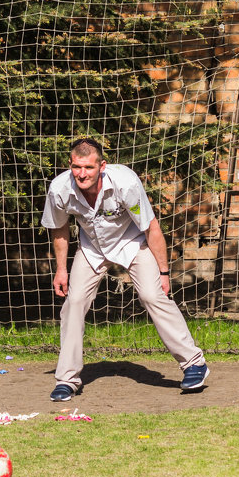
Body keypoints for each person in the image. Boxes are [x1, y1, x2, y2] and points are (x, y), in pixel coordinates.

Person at [41, 137, 209, 401]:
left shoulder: (126, 183)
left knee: (153, 296)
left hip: (133, 242)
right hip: (92, 247)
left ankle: (193, 363)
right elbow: (60, 229)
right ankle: (67, 379)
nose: (81, 174)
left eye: (88, 167)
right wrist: (61, 270)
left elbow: (150, 227)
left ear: (102, 166)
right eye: (76, 167)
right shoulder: (60, 188)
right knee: (73, 302)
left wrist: (164, 273)